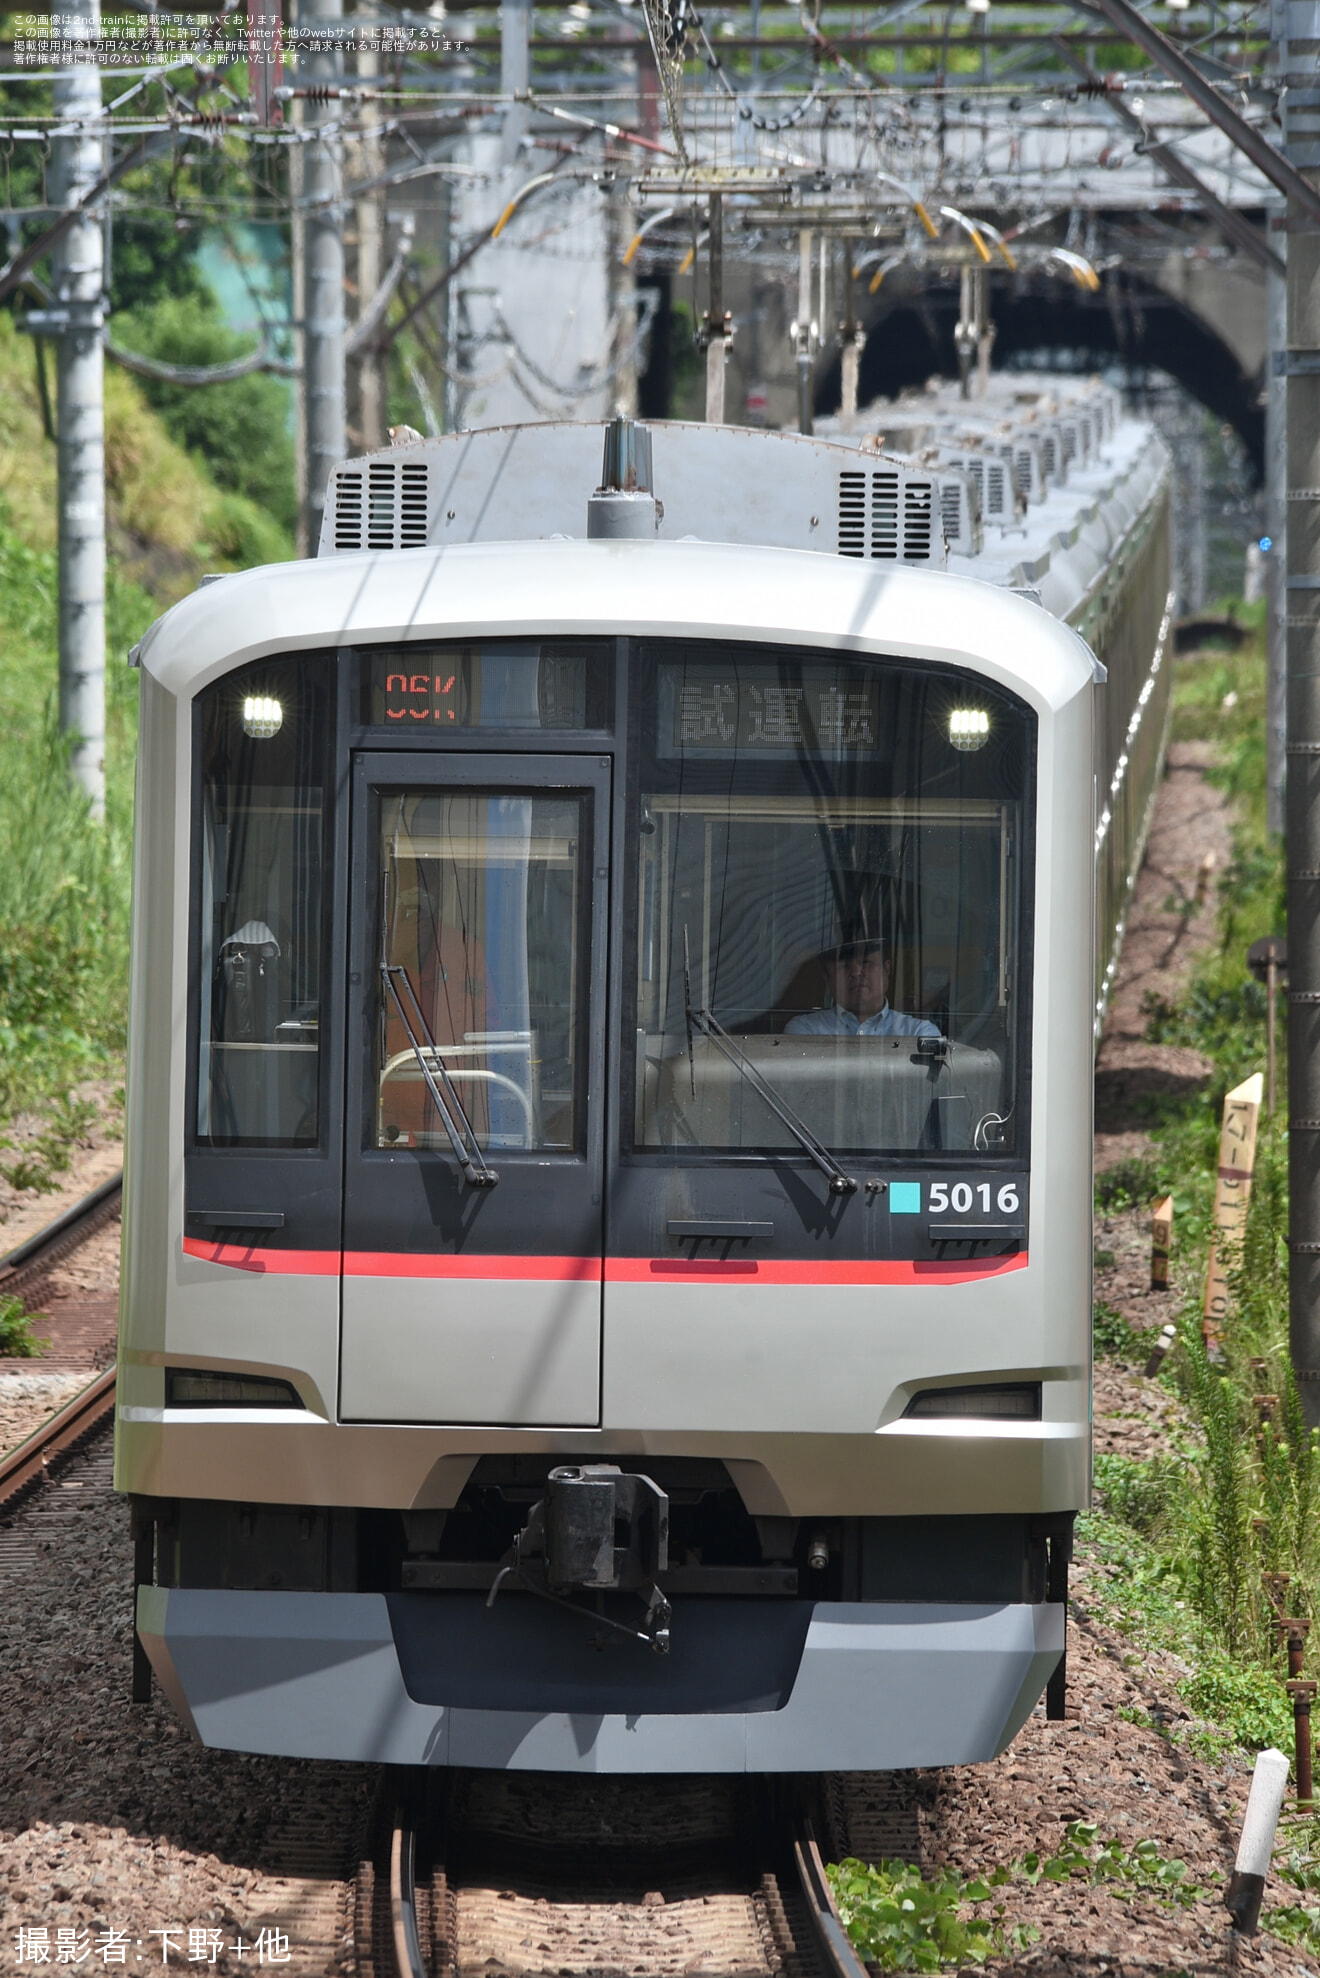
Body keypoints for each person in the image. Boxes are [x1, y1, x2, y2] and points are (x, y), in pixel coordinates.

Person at [785, 931, 939, 1039]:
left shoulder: (918, 1033)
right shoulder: (804, 1031)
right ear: (826, 977)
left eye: (866, 962)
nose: (856, 972)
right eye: (844, 966)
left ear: (887, 968)